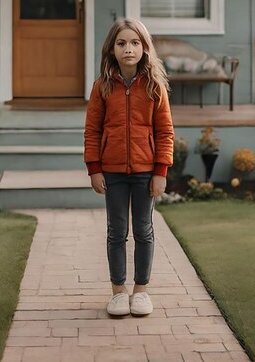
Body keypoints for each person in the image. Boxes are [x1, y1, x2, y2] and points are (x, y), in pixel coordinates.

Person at [84, 18, 174, 317]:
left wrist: (161, 170)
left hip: (146, 171)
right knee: (116, 231)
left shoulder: (154, 87)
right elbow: (92, 131)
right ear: (111, 49)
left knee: (144, 231)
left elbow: (165, 132)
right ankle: (118, 292)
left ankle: (141, 291)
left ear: (144, 48)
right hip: (112, 172)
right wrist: (94, 168)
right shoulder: (102, 87)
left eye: (135, 43)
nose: (128, 49)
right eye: (121, 43)